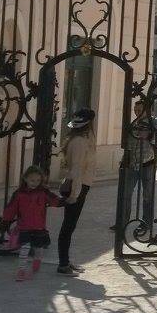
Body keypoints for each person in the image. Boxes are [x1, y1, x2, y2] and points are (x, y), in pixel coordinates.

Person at [1, 165, 62, 281]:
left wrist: (64, 201)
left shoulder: (43, 192)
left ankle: (37, 261)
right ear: (25, 179)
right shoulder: (19, 194)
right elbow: (11, 208)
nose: (35, 183)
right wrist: (6, 221)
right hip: (24, 227)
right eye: (32, 180)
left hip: (39, 227)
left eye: (38, 180)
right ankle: (21, 270)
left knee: (38, 249)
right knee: (24, 249)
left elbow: (54, 200)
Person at [57, 107, 96, 275]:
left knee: (70, 225)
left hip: (78, 184)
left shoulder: (80, 139)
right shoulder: (79, 142)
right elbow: (77, 169)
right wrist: (75, 194)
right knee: (68, 226)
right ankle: (63, 264)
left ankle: (65, 261)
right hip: (77, 185)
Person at [118, 99, 157, 233]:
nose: (137, 112)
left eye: (140, 110)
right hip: (132, 164)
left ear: (147, 110)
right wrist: (124, 161)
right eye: (135, 110)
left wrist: (149, 136)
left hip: (148, 164)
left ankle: (146, 223)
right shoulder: (133, 123)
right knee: (125, 194)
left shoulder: (155, 122)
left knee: (147, 196)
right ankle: (122, 222)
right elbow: (128, 144)